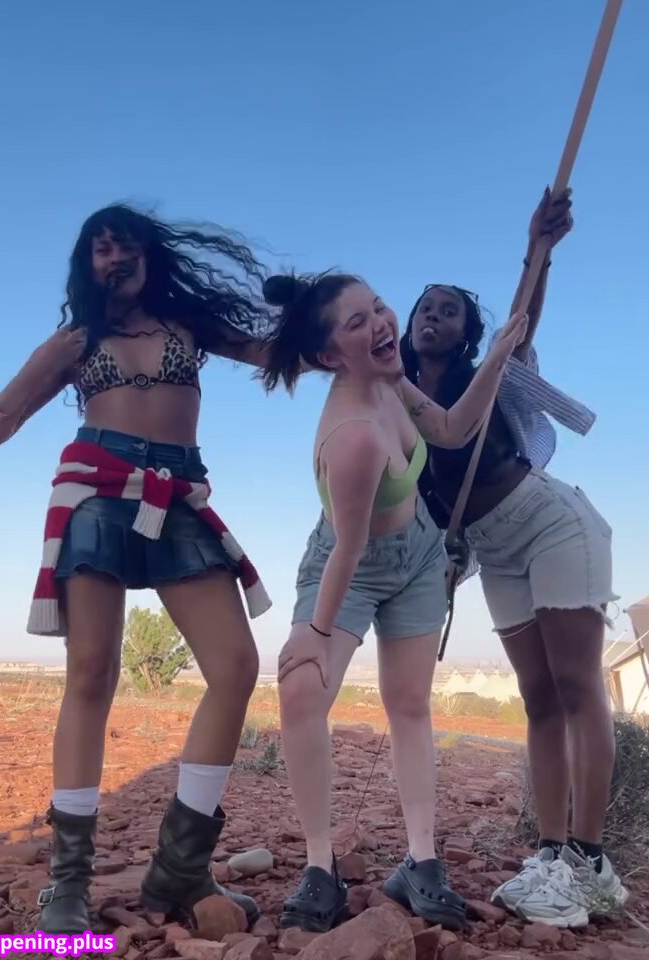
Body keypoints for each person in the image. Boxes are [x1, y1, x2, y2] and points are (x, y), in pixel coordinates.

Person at [0, 204, 275, 935]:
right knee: (92, 673)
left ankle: (181, 867)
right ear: (88, 264)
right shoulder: (77, 341)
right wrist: (32, 377)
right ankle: (68, 883)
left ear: (149, 255)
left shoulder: (187, 325)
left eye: (126, 245)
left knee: (236, 666)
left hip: (178, 494)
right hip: (97, 494)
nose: (116, 257)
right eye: (101, 249)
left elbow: (277, 355)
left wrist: (324, 321)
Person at [259, 271, 528, 932]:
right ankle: (319, 867)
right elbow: (348, 551)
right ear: (329, 355)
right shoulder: (352, 434)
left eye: (378, 307)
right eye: (357, 323)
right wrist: (314, 633)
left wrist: (496, 358)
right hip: (348, 565)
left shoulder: (389, 381)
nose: (381, 323)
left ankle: (421, 861)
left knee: (409, 704)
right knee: (301, 692)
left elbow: (452, 428)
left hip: (419, 555)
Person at [400, 188, 630, 928]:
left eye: (449, 311)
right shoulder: (394, 395)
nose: (434, 317)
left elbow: (521, 321)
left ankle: (589, 861)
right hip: (494, 551)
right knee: (537, 698)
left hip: (551, 525)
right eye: (425, 307)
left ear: (467, 333)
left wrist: (539, 250)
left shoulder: (489, 373)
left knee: (576, 684)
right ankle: (552, 851)